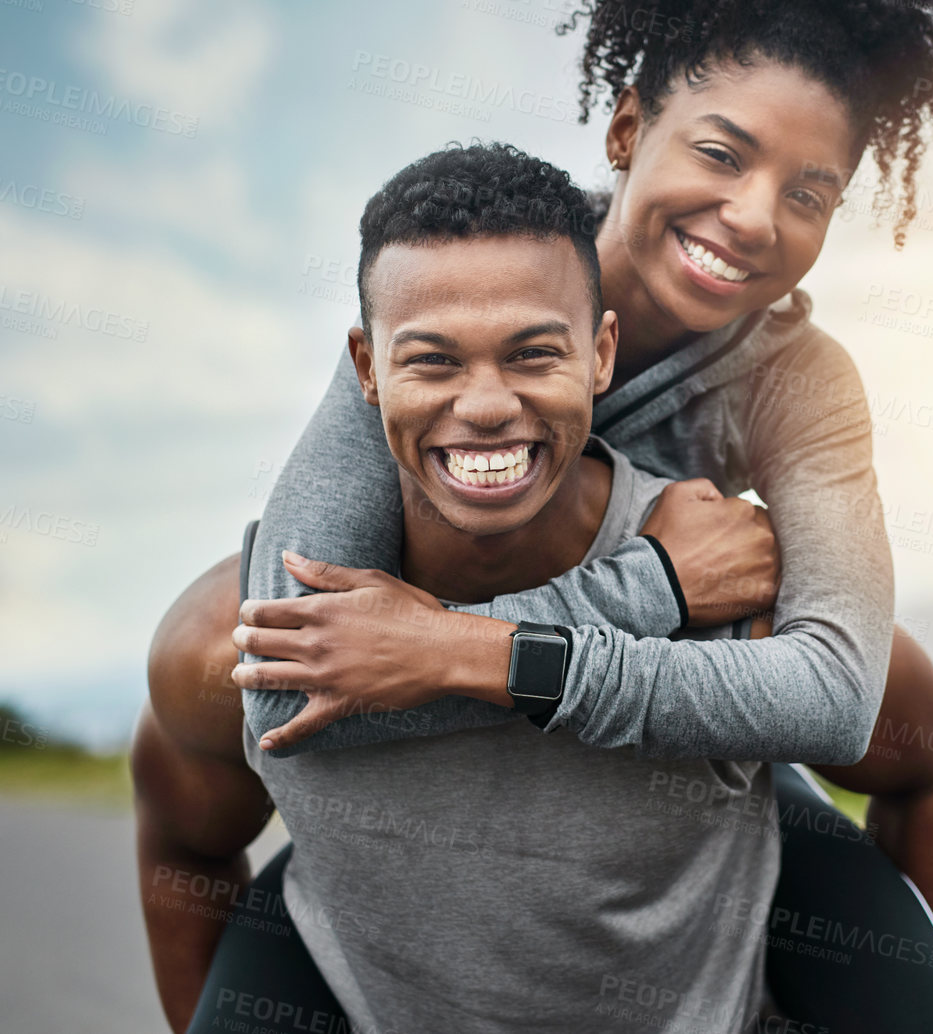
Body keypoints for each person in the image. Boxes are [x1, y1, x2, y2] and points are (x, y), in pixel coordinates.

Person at [139, 0, 933, 1028]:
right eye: (721, 152)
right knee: (203, 638)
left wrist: (468, 653)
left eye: (809, 192)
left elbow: (837, 700)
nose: (753, 216)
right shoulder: (477, 273)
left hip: (663, 706)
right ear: (629, 127)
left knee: (914, 716)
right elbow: (291, 683)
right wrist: (647, 585)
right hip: (524, 633)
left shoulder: (797, 380)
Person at [142, 142, 823, 1032]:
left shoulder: (737, 586)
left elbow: (923, 769)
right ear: (366, 370)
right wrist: (646, 588)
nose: (487, 404)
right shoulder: (227, 651)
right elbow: (184, 849)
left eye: (534, 353)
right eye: (431, 361)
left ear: (601, 353)